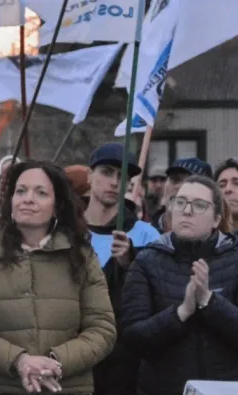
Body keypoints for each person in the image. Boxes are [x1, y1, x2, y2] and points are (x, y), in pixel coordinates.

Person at [0, 161, 116, 395]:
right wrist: (19, 361)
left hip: (65, 387)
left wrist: (55, 363)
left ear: (57, 205)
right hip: (0, 388)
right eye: (21, 191)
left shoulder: (81, 257)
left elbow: (102, 329)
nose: (28, 199)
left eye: (41, 193)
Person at [121, 176, 238, 395]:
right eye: (180, 202)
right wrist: (182, 312)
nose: (187, 211)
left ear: (216, 218)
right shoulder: (147, 261)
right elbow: (133, 338)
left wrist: (209, 301)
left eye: (199, 205)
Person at [82, 143, 159, 395]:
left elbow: (158, 295)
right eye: (106, 172)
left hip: (122, 366)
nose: (115, 182)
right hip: (72, 356)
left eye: (122, 176)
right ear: (89, 176)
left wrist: (130, 264)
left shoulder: (146, 234)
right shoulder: (65, 230)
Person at [150, 158, 213, 233]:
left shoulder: (221, 242)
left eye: (190, 183)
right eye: (175, 180)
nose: (180, 188)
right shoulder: (142, 235)